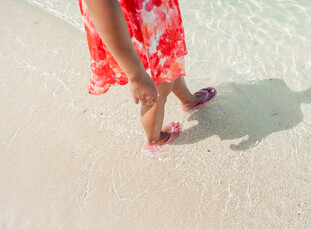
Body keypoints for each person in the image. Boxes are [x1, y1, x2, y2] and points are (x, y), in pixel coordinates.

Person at [79, 0, 216, 152]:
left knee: (169, 64)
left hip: (152, 17)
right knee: (158, 88)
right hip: (136, 22)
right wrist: (136, 75)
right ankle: (154, 138)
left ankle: (187, 100)